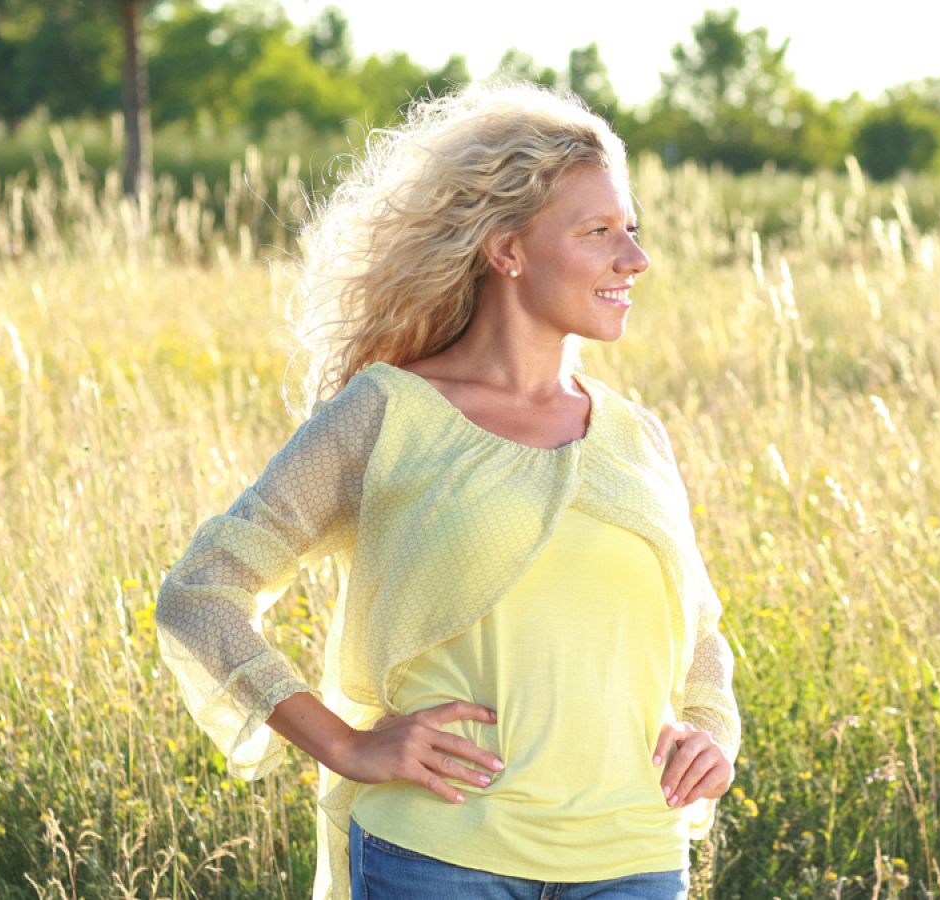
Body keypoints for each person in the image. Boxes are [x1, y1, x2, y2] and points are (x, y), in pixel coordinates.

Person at [152, 81, 741, 899]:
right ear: (508, 250)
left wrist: (712, 728)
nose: (634, 260)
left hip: (634, 857)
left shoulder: (636, 436)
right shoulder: (389, 413)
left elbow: (699, 626)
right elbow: (202, 591)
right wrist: (344, 745)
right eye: (599, 232)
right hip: (439, 858)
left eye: (631, 230)